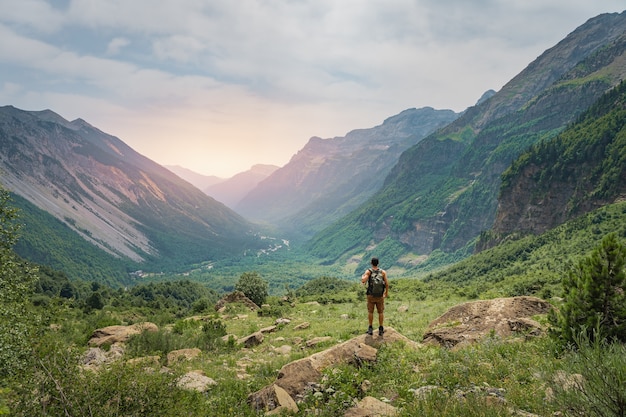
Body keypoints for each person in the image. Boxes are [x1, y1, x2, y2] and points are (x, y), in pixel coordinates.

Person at [360, 257, 389, 336]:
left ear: (371, 263)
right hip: (380, 296)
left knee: (370, 312)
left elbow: (363, 280)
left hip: (371, 295)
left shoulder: (368, 271)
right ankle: (381, 328)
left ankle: (370, 328)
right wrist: (386, 293)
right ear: (378, 263)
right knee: (380, 312)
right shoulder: (383, 272)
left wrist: (363, 276)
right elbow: (386, 283)